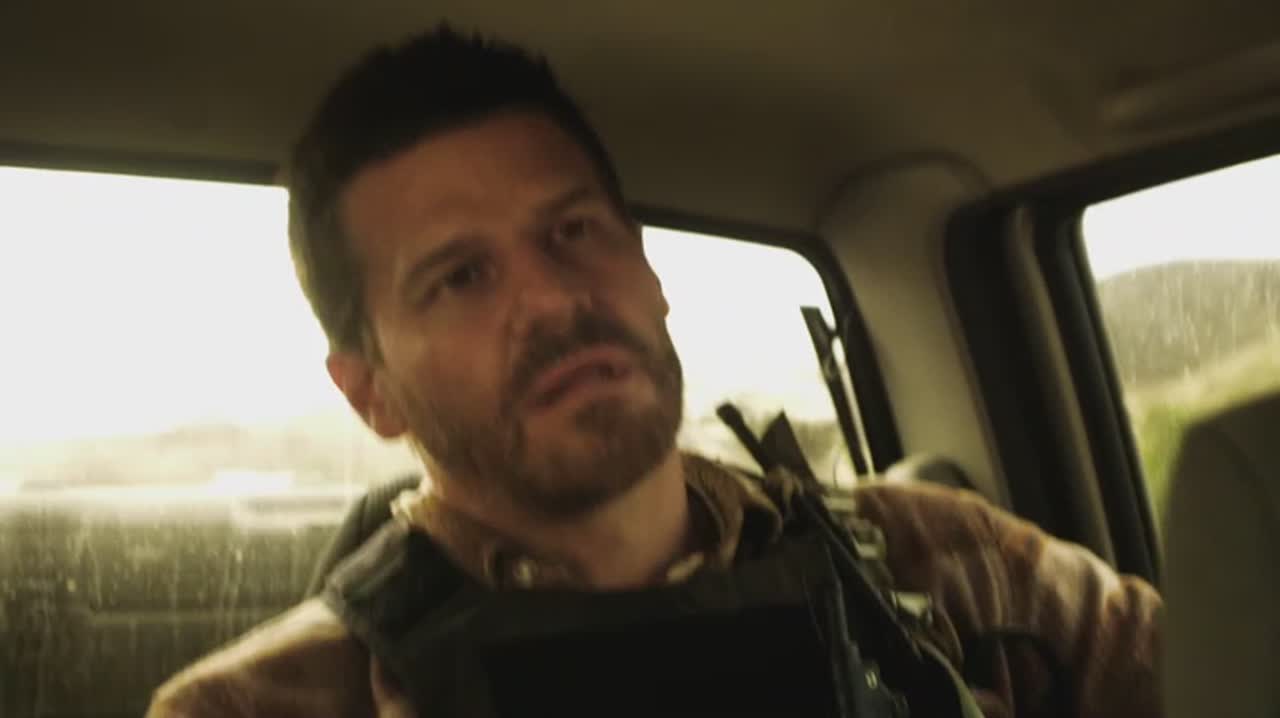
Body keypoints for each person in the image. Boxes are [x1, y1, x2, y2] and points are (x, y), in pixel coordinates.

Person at [146, 25, 1161, 718]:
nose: (553, 297)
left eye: (573, 230)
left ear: (648, 272)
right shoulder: (261, 705)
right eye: (461, 277)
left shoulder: (959, 567)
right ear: (368, 391)